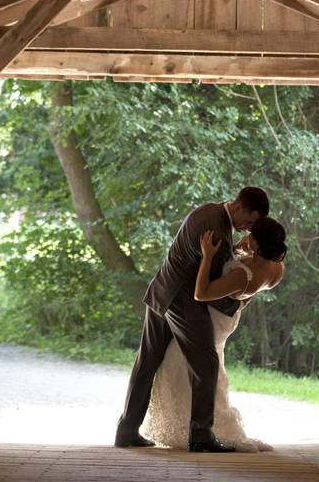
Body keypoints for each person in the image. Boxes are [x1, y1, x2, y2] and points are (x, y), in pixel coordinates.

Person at [115, 187, 270, 452]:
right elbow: (207, 290)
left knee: (147, 361)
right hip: (182, 301)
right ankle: (200, 434)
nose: (247, 228)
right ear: (240, 206)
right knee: (206, 363)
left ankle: (126, 430)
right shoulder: (218, 231)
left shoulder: (208, 210)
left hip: (162, 288)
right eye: (250, 221)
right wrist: (237, 303)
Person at [141, 217, 287, 452]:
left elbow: (201, 293)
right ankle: (205, 424)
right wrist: (244, 248)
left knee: (179, 362)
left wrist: (207, 256)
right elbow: (248, 263)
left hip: (213, 318)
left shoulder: (243, 276)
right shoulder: (275, 268)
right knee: (207, 365)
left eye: (251, 234)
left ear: (259, 245)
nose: (245, 236)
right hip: (229, 318)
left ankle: (190, 427)